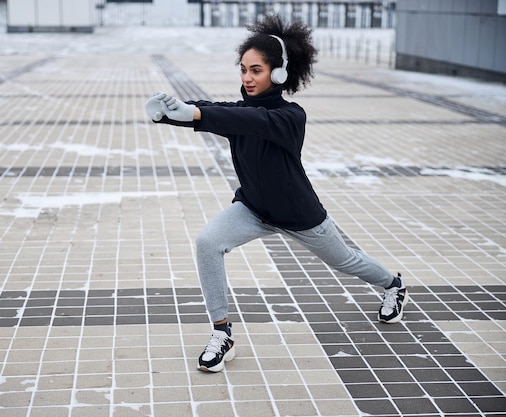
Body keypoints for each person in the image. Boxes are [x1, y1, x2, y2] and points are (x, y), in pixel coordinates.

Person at [144, 14, 408, 373]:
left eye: (256, 70)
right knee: (208, 242)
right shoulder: (240, 110)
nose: (247, 78)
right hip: (253, 208)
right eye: (243, 70)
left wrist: (194, 112)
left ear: (279, 74)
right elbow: (222, 114)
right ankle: (222, 334)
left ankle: (393, 284)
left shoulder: (290, 117)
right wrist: (166, 114)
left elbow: (248, 122)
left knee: (345, 260)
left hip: (300, 215)